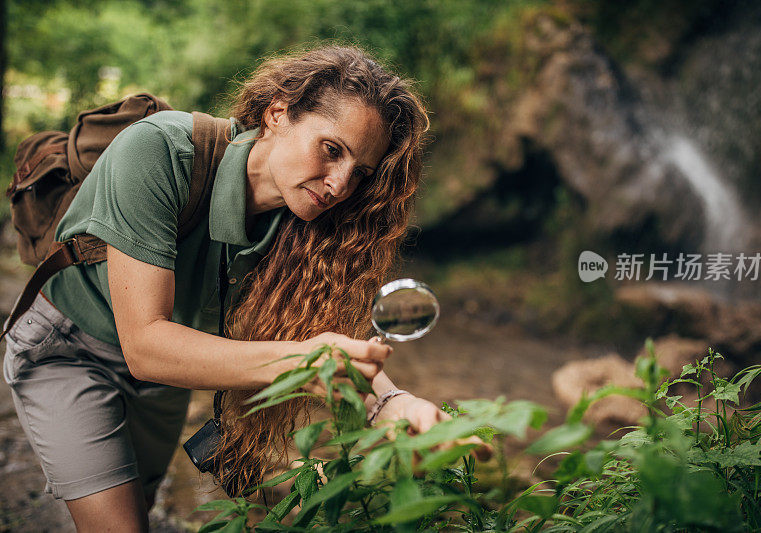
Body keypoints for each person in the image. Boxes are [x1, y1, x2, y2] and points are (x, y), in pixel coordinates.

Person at [2, 45, 465, 531]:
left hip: (169, 375)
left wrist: (394, 405)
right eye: (332, 150)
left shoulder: (308, 224)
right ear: (277, 114)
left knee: (137, 505)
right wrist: (301, 362)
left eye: (360, 173)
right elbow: (145, 343)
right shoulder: (159, 151)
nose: (339, 185)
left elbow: (330, 343)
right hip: (69, 349)